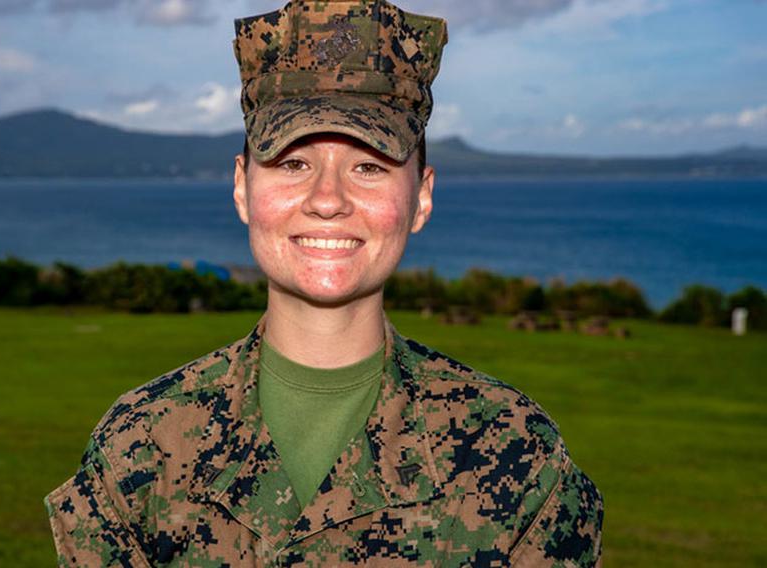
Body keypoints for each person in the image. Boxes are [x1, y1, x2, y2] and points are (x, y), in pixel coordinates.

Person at [44, 1, 604, 566]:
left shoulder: (516, 454)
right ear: (242, 187)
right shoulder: (141, 447)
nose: (328, 200)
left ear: (422, 197)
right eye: (292, 163)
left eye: (370, 166)